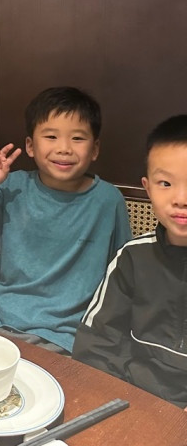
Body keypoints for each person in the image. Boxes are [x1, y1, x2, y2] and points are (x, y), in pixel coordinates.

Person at [0, 86, 132, 353]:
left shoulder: (107, 200)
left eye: (77, 138)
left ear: (95, 149)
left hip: (63, 331)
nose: (64, 149)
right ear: (30, 145)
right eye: (51, 136)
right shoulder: (13, 186)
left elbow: (122, 272)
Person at [73, 115, 187, 409]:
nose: (181, 198)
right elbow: (96, 345)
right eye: (166, 183)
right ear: (148, 188)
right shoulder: (133, 257)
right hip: (131, 398)